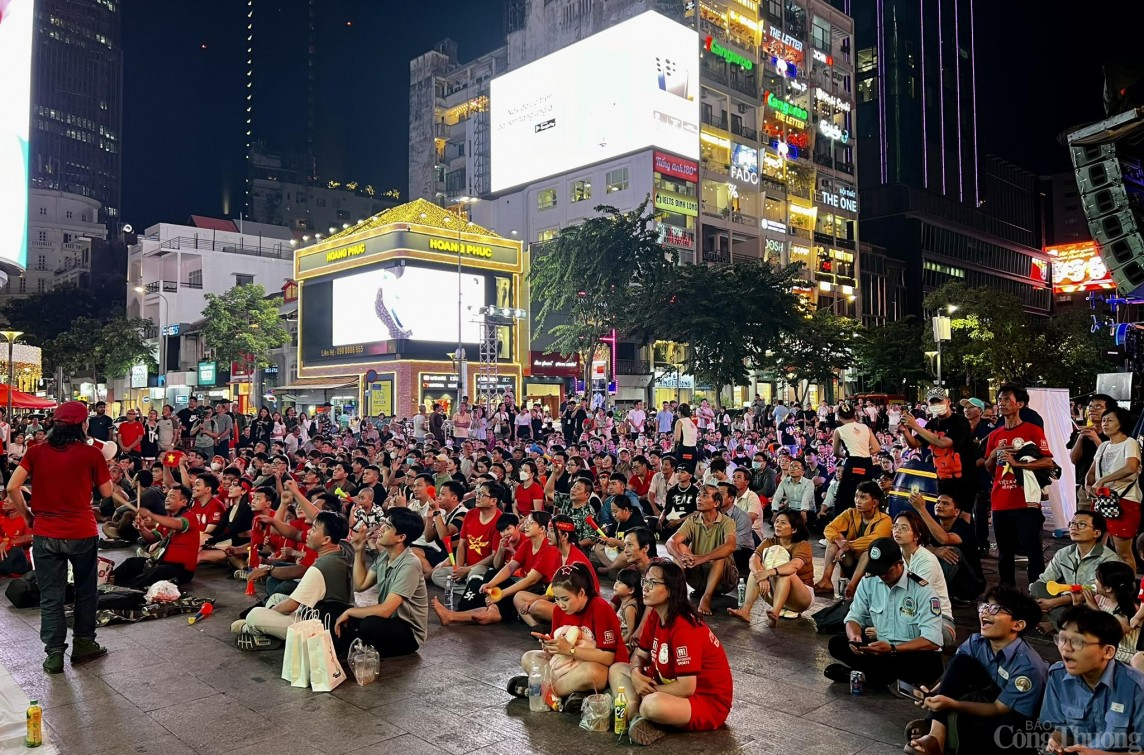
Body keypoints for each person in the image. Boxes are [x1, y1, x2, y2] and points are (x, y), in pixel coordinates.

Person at [6, 401, 114, 674]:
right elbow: (107, 492)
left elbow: (12, 486)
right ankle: (84, 644)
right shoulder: (92, 454)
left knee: (51, 595)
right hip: (81, 532)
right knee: (86, 591)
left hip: (45, 533)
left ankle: (54, 654)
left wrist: (28, 515)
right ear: (82, 425)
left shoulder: (36, 452)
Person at [903, 586, 1048, 755]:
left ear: (1017, 624)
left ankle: (937, 734)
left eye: (994, 609)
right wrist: (933, 694)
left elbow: (998, 709)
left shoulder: (1028, 665)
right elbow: (954, 676)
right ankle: (936, 735)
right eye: (984, 607)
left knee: (1000, 735)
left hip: (1016, 719)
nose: (985, 612)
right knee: (960, 662)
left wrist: (951, 703)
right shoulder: (976, 642)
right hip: (987, 699)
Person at [607, 559, 733, 746]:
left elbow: (686, 688)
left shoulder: (684, 627)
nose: (646, 588)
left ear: (671, 591)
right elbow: (640, 655)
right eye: (645, 582)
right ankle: (637, 717)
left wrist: (646, 690)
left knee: (652, 704)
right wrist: (634, 675)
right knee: (617, 668)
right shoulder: (656, 614)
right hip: (665, 683)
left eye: (653, 583)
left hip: (704, 701)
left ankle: (638, 712)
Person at [507, 562, 628, 714]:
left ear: (582, 593)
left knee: (593, 673)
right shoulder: (558, 610)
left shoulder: (600, 608)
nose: (560, 604)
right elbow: (556, 651)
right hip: (568, 666)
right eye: (556, 599)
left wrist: (570, 650)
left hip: (599, 667)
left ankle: (543, 691)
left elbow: (608, 658)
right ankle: (567, 693)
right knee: (528, 657)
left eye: (565, 599)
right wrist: (549, 645)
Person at [824, 537, 944, 689]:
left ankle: (859, 676)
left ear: (899, 564)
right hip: (880, 650)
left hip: (909, 653)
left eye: (886, 571)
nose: (881, 575)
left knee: (925, 665)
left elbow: (932, 641)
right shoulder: (869, 582)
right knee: (836, 643)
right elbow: (853, 617)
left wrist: (893, 649)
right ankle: (879, 678)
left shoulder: (923, 590)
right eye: (877, 571)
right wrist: (854, 637)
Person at [231, 512, 352, 650]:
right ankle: (270, 634)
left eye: (313, 529)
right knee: (276, 597)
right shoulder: (346, 550)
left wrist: (272, 613)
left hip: (319, 626)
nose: (308, 533)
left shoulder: (320, 568)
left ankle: (254, 630)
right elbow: (294, 534)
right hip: (327, 614)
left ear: (326, 540)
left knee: (254, 615)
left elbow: (290, 606)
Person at [1040, 606, 1144, 753]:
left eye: (1077, 641)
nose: (1065, 648)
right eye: (1062, 639)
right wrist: (1057, 741)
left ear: (1108, 651)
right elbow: (1063, 729)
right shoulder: (1058, 676)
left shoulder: (1137, 687)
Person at [985, 383, 1055, 587]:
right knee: (1004, 553)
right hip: (1000, 502)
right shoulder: (995, 435)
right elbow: (989, 468)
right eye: (1000, 400)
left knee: (1033, 550)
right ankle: (1007, 594)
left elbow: (1048, 462)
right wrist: (992, 455)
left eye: (1007, 399)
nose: (1002, 403)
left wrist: (1016, 463)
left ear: (1020, 404)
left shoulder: (1032, 430)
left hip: (1027, 501)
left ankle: (1036, 593)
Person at [334, 508, 429, 657]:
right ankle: (349, 649)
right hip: (390, 621)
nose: (381, 528)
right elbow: (361, 585)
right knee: (338, 611)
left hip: (409, 634)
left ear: (401, 537)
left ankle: (358, 650)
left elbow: (385, 610)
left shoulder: (410, 565)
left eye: (388, 526)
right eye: (384, 523)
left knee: (369, 624)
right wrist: (359, 551)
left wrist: (350, 611)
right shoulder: (385, 555)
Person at [1030, 510, 1121, 629]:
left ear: (1097, 533)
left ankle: (1065, 627)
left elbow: (1091, 591)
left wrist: (1052, 603)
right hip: (1067, 601)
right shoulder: (1064, 553)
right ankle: (1063, 624)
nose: (1074, 528)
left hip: (1092, 604)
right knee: (1036, 587)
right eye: (1072, 523)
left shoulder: (1108, 558)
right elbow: (1044, 580)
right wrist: (1042, 602)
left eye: (1081, 524)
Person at [727, 508, 814, 627]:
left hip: (800, 598)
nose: (777, 525)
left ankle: (775, 613)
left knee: (786, 573)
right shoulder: (769, 541)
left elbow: (795, 565)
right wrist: (761, 576)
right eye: (777, 521)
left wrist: (768, 573)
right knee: (755, 571)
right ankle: (745, 610)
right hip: (774, 592)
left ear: (794, 529)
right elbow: (753, 559)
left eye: (783, 523)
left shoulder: (803, 545)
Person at [665, 484, 738, 616]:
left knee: (719, 555)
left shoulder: (727, 522)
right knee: (679, 547)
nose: (699, 498)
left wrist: (703, 558)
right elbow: (670, 542)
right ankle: (677, 596)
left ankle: (707, 597)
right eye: (698, 495)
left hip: (724, 579)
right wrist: (680, 557)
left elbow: (730, 546)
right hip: (698, 576)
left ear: (716, 503)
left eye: (705, 496)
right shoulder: (692, 520)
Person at [111, 484, 202, 589]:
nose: (167, 499)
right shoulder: (166, 518)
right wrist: (142, 528)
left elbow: (177, 524)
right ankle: (108, 580)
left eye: (172, 497)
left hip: (181, 569)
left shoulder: (190, 517)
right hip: (161, 563)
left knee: (155, 573)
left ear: (184, 502)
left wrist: (151, 515)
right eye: (167, 496)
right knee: (132, 563)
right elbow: (152, 538)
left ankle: (123, 589)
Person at [902, 388, 977, 513]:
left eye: (939, 401)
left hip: (963, 480)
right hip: (942, 480)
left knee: (963, 516)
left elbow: (944, 443)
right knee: (944, 515)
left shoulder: (960, 421)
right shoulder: (932, 424)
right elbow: (914, 444)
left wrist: (915, 426)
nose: (936, 405)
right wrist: (905, 431)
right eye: (933, 402)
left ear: (948, 402)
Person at [1085, 406, 1141, 571]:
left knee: (1123, 552)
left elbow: (1131, 467)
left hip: (1125, 501)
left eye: (1109, 420)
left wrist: (1102, 480)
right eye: (1103, 420)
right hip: (1102, 501)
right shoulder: (1103, 446)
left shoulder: (1130, 443)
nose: (1105, 424)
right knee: (1097, 547)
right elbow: (1091, 472)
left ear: (1121, 423)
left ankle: (1128, 590)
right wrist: (1088, 485)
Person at [814, 481, 893, 597]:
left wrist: (847, 546)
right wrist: (839, 540)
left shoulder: (885, 519)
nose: (858, 501)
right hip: (851, 560)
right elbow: (829, 528)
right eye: (856, 496)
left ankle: (852, 586)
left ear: (875, 502)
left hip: (871, 568)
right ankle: (826, 581)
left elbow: (874, 539)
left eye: (863, 497)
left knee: (869, 551)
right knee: (834, 541)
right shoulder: (850, 513)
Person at [892, 510, 956, 648]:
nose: (897, 531)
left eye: (903, 528)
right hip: (906, 613)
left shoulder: (927, 561)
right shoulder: (896, 555)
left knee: (935, 635)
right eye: (895, 526)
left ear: (916, 535)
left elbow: (913, 596)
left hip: (937, 618)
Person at [908, 491, 986, 602]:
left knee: (953, 552)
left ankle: (923, 594)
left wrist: (921, 509)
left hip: (970, 584)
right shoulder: (933, 525)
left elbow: (944, 539)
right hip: (949, 585)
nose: (939, 505)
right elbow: (916, 544)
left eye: (945, 504)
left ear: (956, 512)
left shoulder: (964, 527)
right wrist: (934, 550)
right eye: (938, 502)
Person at [831, 403, 880, 513]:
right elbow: (877, 448)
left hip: (852, 463)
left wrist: (849, 455)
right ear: (855, 414)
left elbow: (836, 452)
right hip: (867, 463)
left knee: (844, 497)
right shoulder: (866, 428)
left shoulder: (839, 430)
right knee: (866, 494)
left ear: (839, 417)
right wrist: (864, 453)